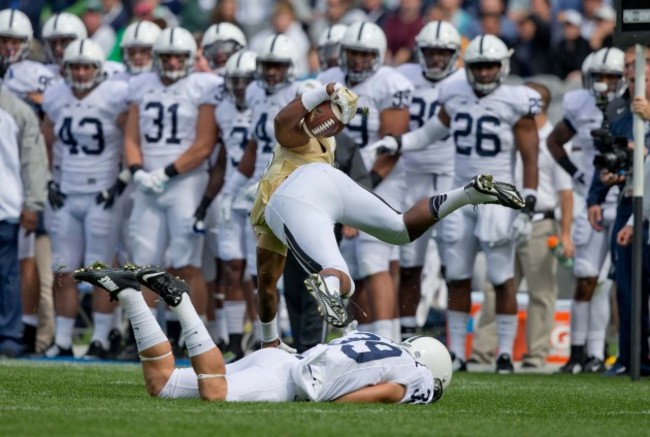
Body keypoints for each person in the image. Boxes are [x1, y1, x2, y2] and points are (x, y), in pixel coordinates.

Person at [249, 79, 526, 340]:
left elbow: (267, 285)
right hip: (328, 181)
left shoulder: (295, 139)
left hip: (292, 194)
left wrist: (327, 89)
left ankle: (329, 287)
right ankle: (467, 195)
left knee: (335, 272)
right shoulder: (331, 142)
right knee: (400, 228)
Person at [367, 34, 540, 373]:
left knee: (501, 276)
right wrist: (398, 141)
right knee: (457, 276)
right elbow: (431, 132)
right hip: (460, 195)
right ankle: (458, 352)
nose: (485, 72)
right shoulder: (455, 92)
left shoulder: (518, 101)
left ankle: (504, 354)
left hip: (497, 197)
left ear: (502, 66)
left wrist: (528, 200)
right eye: (478, 66)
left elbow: (530, 157)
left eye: (490, 65)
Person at [73, 264, 450, 403]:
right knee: (215, 393)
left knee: (163, 385)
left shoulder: (383, 342)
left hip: (279, 359)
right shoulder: (415, 379)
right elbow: (366, 397)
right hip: (289, 379)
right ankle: (183, 303)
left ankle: (128, 294)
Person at [318, 21, 414, 342]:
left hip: (379, 180)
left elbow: (393, 146)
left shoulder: (391, 83)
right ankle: (362, 339)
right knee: (353, 268)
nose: (358, 60)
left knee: (374, 262)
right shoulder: (326, 81)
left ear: (379, 55)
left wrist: (360, 191)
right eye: (353, 53)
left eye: (365, 54)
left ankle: (386, 340)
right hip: (336, 180)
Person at [470, 82, 575, 369]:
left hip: (540, 221)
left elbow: (565, 193)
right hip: (505, 215)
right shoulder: (508, 130)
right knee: (498, 284)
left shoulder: (555, 140)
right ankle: (482, 350)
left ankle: (536, 354)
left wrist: (565, 232)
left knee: (541, 292)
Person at [123, 26, 221, 332]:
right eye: (168, 57)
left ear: (190, 58)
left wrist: (165, 173)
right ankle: (149, 333)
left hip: (186, 183)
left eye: (180, 57)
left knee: (187, 262)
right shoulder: (141, 84)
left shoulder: (203, 86)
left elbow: (205, 143)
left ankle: (195, 332)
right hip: (147, 184)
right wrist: (138, 171)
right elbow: (131, 136)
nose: (174, 64)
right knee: (144, 264)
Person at [40, 39, 130, 359]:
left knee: (100, 269)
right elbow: (47, 139)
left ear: (99, 70)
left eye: (86, 67)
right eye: (74, 67)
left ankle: (101, 338)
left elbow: (133, 135)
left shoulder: (115, 96)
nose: (79, 72)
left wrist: (122, 179)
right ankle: (63, 340)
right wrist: (49, 178)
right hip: (65, 192)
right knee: (62, 269)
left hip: (101, 193)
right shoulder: (55, 95)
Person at [546, 47, 625, 373]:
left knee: (609, 283)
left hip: (622, 197)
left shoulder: (632, 105)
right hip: (589, 198)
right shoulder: (579, 104)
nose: (605, 83)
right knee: (585, 276)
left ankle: (598, 349)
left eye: (612, 77)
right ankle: (578, 352)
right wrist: (576, 172)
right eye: (599, 77)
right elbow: (554, 142)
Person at [394, 20, 464, 341]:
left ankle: (455, 340)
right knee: (410, 260)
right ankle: (407, 333)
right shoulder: (402, 77)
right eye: (431, 52)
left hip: (451, 174)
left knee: (454, 264)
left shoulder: (466, 80)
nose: (436, 59)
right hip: (412, 173)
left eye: (443, 53)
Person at [588, 45, 650, 376]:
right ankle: (631, 357)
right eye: (629, 65)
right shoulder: (616, 108)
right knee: (626, 286)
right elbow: (609, 155)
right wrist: (597, 194)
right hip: (631, 200)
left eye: (644, 63)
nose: (635, 70)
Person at [0, 92, 48, 358]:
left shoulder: (16, 110)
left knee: (7, 274)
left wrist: (33, 203)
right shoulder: (17, 108)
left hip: (5, 202)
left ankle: (8, 333)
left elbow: (33, 161)